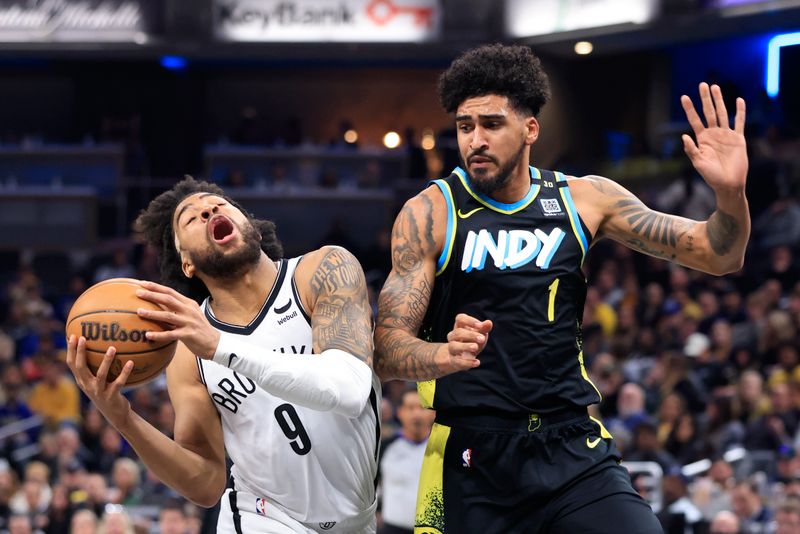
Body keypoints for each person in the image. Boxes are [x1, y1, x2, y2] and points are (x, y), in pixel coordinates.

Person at [374, 43, 750, 533]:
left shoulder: (584, 199)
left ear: (530, 129)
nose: (475, 141)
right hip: (474, 454)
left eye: (491, 124)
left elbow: (719, 254)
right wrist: (440, 355)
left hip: (571, 446)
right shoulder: (432, 212)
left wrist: (730, 193)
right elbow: (385, 349)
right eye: (465, 127)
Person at [66, 177, 380, 533]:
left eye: (219, 203)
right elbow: (206, 483)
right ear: (186, 263)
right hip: (263, 516)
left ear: (253, 228)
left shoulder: (319, 272)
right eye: (190, 218)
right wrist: (123, 419)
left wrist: (220, 347)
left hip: (357, 519)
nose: (208, 208)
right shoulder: (186, 348)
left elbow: (350, 390)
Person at [378, 389, 435, 534]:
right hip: (392, 528)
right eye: (410, 408)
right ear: (400, 412)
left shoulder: (442, 450)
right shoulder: (385, 447)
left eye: (422, 408)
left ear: (433, 413)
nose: (416, 414)